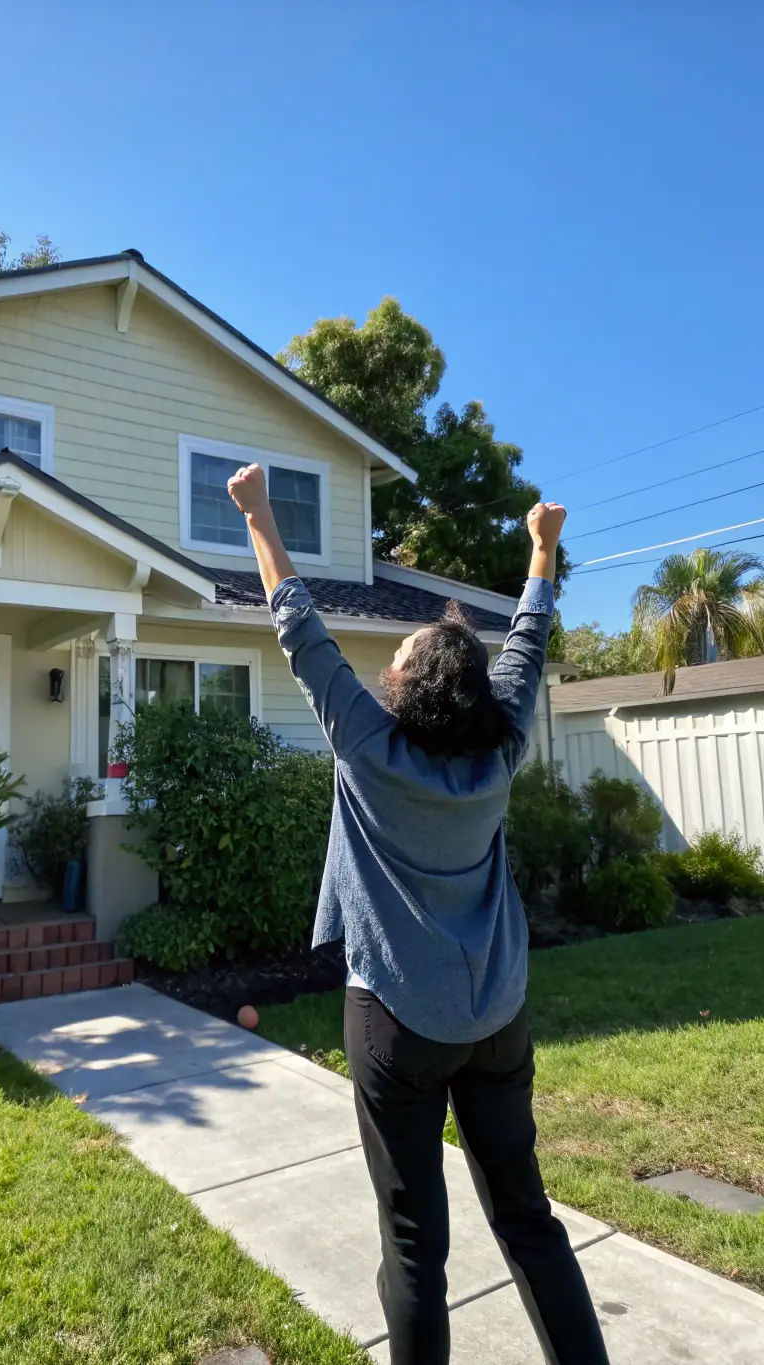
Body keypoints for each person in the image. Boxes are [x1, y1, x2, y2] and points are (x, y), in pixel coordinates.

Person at [227, 463, 609, 1365]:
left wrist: (258, 514)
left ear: (408, 687)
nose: (385, 664)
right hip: (498, 1016)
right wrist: (543, 551)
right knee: (528, 1218)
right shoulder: (502, 744)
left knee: (413, 1244)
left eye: (395, 659)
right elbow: (528, 638)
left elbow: (296, 623)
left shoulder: (368, 744)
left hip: (398, 1020)